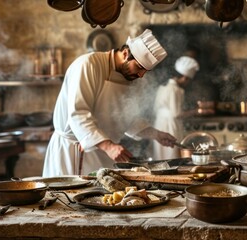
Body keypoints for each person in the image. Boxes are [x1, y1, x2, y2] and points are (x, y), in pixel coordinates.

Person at [42, 29, 177, 177]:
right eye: (139, 67)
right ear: (125, 54)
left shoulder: (132, 77)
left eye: (145, 71)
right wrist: (108, 146)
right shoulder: (88, 65)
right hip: (75, 151)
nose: (141, 75)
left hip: (104, 153)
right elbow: (78, 114)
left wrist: (156, 134)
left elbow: (126, 118)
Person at [152, 56, 200, 159]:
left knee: (161, 157)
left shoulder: (163, 86)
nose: (187, 83)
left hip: (159, 124)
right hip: (170, 126)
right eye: (188, 80)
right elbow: (176, 114)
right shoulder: (176, 90)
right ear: (184, 77)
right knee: (171, 155)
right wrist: (196, 111)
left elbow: (155, 109)